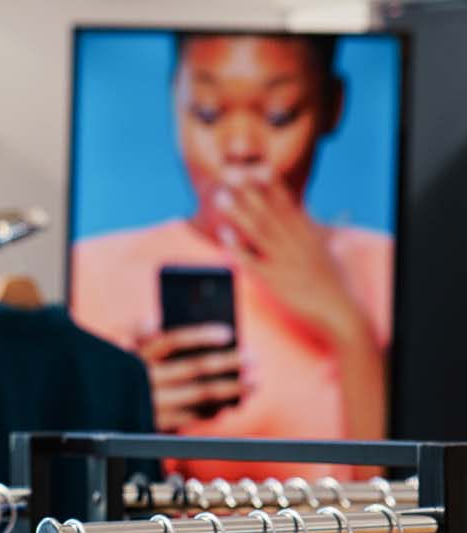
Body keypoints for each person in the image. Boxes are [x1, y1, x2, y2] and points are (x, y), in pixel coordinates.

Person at [71, 32, 393, 483]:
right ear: (173, 99)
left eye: (279, 116)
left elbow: (400, 523)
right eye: (207, 112)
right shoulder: (88, 273)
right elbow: (66, 511)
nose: (240, 148)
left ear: (333, 105)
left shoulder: (385, 267)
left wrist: (348, 328)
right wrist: (128, 417)